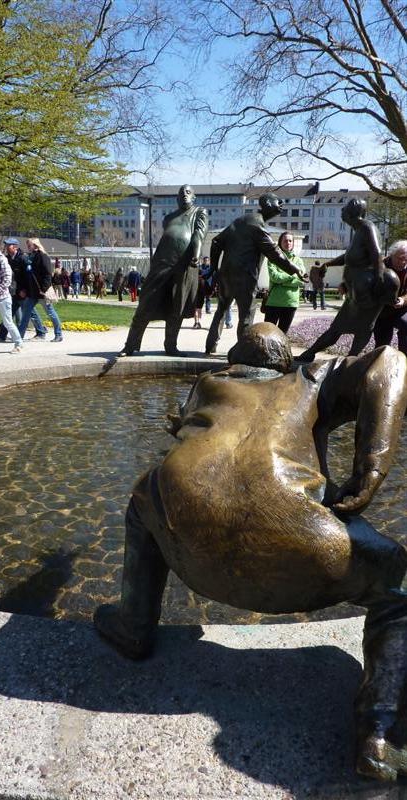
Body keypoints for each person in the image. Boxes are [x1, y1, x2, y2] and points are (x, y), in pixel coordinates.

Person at [94, 322, 407, 782]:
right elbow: (389, 362)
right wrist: (372, 466)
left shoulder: (206, 384)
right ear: (285, 362)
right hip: (300, 544)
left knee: (145, 498)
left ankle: (133, 625)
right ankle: (379, 732)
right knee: (398, 583)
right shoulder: (310, 379)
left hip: (188, 539)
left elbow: (184, 433)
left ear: (233, 362)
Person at [205, 193, 308, 354]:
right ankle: (242, 353)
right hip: (245, 279)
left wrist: (214, 268)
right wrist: (296, 270)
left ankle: (210, 347)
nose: (281, 203)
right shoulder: (257, 225)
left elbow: (216, 241)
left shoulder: (242, 220)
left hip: (226, 276)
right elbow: (275, 254)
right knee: (246, 316)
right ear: (267, 203)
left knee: (221, 311)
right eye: (277, 201)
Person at [299, 199, 400, 362]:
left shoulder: (367, 227)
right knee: (338, 327)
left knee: (363, 327)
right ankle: (310, 354)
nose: (341, 211)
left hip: (367, 290)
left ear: (352, 212)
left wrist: (380, 280)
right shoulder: (358, 230)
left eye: (344, 209)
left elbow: (376, 253)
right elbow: (349, 257)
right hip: (356, 291)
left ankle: (349, 360)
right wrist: (328, 263)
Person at [119, 185, 208, 357]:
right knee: (145, 303)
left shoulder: (199, 212)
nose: (184, 195)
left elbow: (199, 234)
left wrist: (196, 254)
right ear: (176, 198)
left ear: (194, 197)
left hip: (184, 265)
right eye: (181, 193)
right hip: (162, 263)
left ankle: (170, 346)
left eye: (188, 193)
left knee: (177, 307)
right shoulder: (168, 218)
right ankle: (130, 345)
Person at [0, 238, 46, 342]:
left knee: (31, 312)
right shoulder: (8, 258)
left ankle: (41, 332)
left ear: (15, 246)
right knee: (9, 313)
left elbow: (28, 276)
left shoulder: (23, 258)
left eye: (8, 245)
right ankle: (2, 334)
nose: (6, 247)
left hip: (23, 291)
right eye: (6, 245)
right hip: (14, 291)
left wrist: (25, 290)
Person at [18, 238, 63, 342]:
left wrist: (43, 289)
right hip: (32, 292)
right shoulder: (30, 257)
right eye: (27, 245)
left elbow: (48, 275)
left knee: (50, 313)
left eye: (29, 245)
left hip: (41, 292)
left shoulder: (43, 256)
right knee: (26, 314)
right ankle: (19, 336)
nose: (28, 247)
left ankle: (58, 334)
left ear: (35, 245)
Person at [264, 232, 304, 334]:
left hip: (290, 303)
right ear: (280, 243)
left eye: (290, 240)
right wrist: (293, 275)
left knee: (282, 335)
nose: (288, 243)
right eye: (285, 240)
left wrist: (283, 281)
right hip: (274, 302)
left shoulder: (298, 261)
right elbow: (275, 277)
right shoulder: (273, 259)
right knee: (268, 334)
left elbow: (301, 279)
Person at [373, 241, 407, 356]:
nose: (403, 262)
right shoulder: (379, 266)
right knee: (382, 345)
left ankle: (404, 359)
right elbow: (362, 279)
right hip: (382, 311)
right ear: (392, 254)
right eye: (400, 258)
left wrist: (403, 299)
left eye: (406, 260)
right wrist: (344, 285)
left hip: (401, 308)